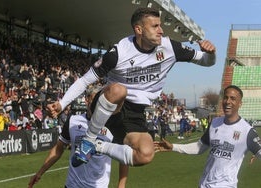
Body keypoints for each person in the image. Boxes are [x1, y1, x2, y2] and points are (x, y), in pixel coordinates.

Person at [47, 7, 216, 170]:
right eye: (155, 26)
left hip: (135, 112)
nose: (161, 31)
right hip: (109, 104)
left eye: (160, 25)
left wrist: (211, 53)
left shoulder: (170, 48)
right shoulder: (118, 53)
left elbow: (207, 62)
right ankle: (89, 141)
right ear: (139, 29)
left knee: (146, 154)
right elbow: (84, 81)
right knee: (119, 90)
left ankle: (98, 145)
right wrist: (62, 104)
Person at [154, 85, 261, 188]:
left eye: (233, 98)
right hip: (205, 184)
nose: (228, 101)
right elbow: (199, 147)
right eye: (226, 97)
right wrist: (173, 147)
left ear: (240, 103)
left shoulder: (247, 131)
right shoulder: (215, 123)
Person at [28, 85, 127, 188]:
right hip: (72, 185)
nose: (97, 105)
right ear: (87, 100)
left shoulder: (113, 124)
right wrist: (40, 172)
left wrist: (121, 184)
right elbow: (58, 149)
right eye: (94, 100)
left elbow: (123, 154)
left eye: (100, 102)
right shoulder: (73, 121)